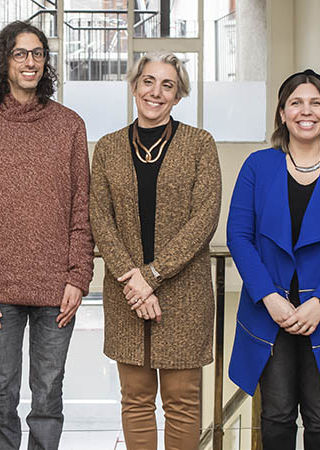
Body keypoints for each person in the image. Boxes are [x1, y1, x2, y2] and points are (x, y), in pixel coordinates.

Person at [0, 21, 95, 450]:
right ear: (5, 61)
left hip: (57, 286)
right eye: (20, 53)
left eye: (37, 53)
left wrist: (78, 277)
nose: (30, 62)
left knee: (48, 393)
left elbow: (81, 205)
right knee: (0, 392)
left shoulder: (69, 125)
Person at [227, 69, 320, 450]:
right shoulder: (258, 166)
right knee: (275, 416)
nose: (305, 111)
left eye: (315, 102)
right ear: (281, 113)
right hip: (270, 311)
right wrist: (270, 298)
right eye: (295, 102)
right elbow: (239, 237)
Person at [89, 52, 221, 449]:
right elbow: (100, 218)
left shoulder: (200, 144)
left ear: (178, 95)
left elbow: (205, 217)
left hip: (183, 295)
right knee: (135, 401)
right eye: (148, 81)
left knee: (182, 403)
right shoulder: (109, 148)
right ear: (134, 87)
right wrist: (134, 278)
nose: (156, 92)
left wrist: (151, 276)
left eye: (168, 85)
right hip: (126, 294)